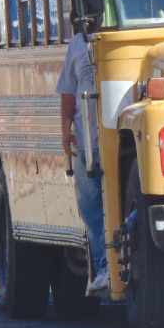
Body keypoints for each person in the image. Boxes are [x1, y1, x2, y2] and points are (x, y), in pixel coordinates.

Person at [57, 32, 107, 294]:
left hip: (115, 138)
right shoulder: (77, 43)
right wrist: (66, 131)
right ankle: (102, 268)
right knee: (91, 209)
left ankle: (118, 263)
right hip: (85, 140)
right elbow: (68, 92)